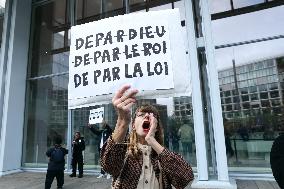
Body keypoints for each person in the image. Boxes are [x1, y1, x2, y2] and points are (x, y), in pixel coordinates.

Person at [101, 85, 194, 189]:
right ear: (133, 126)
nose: (147, 116)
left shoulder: (164, 158)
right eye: (141, 115)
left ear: (156, 127)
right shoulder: (124, 154)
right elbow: (108, 166)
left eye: (152, 116)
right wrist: (123, 122)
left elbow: (185, 179)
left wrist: (151, 140)